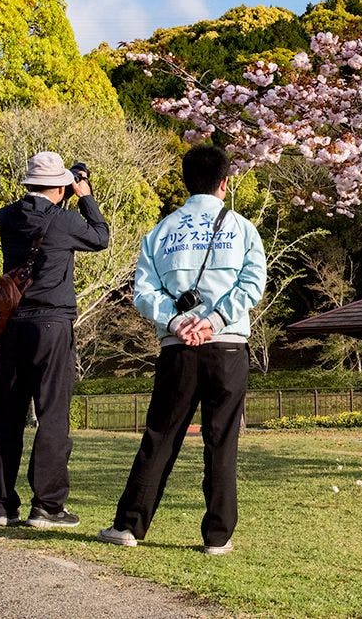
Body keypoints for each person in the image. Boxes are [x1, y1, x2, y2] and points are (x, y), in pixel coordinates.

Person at [98, 144, 266, 553]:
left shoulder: (160, 232)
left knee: (160, 435)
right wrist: (213, 321)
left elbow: (143, 292)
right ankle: (217, 536)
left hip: (177, 348)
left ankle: (130, 526)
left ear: (185, 180)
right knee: (221, 440)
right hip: (227, 346)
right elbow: (252, 285)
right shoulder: (243, 229)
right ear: (224, 182)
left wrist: (177, 321)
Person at [0, 151, 109, 529]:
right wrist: (84, 193)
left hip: (12, 325)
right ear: (59, 187)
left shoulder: (7, 217)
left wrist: (63, 187)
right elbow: (101, 237)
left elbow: (40, 211)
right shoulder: (68, 219)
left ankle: (2, 504)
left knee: (6, 414)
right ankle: (48, 505)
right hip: (52, 323)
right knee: (52, 413)